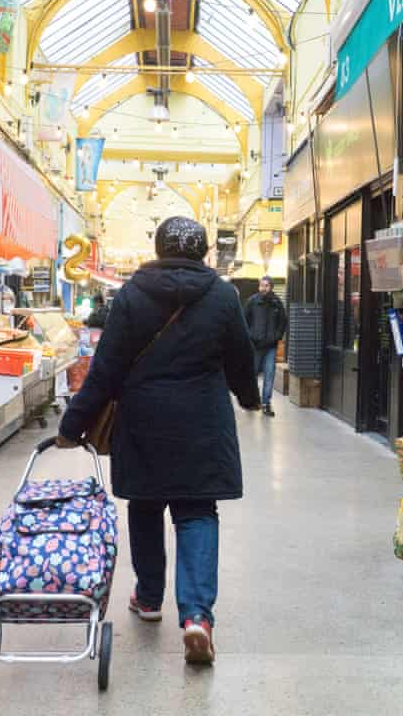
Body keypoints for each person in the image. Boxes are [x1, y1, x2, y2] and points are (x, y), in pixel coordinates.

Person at [56, 216, 260, 665]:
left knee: (145, 505)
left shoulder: (133, 293)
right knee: (197, 510)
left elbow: (106, 367)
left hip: (143, 417)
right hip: (203, 420)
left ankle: (149, 599)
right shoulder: (224, 295)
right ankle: (196, 617)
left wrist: (73, 424)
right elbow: (242, 361)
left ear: (158, 245)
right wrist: (249, 398)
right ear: (205, 250)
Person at [242, 275, 288, 417]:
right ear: (259, 286)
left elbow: (283, 322)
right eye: (262, 285)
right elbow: (244, 320)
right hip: (255, 345)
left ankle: (266, 404)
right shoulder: (252, 301)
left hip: (271, 347)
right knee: (252, 374)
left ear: (271, 287)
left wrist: (277, 336)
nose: (264, 288)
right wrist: (251, 336)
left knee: (269, 375)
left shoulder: (277, 303)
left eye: (266, 285)